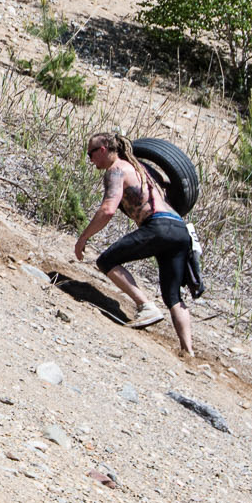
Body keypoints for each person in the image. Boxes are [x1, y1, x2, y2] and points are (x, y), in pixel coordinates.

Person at [74, 132, 198, 354]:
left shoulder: (116, 170)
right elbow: (171, 187)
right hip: (180, 228)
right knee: (173, 296)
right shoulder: (144, 169)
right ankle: (188, 350)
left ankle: (145, 306)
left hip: (158, 225)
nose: (90, 160)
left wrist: (83, 237)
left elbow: (108, 209)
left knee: (106, 261)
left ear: (102, 150)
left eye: (90, 154)